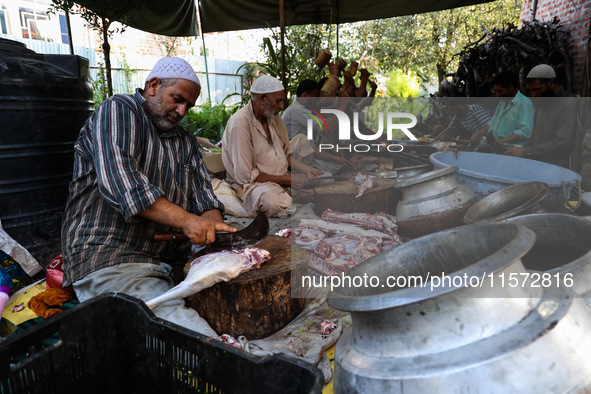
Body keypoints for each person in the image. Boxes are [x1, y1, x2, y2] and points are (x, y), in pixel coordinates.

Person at [61, 57, 236, 337]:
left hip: (166, 255)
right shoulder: (118, 111)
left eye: (188, 106)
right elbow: (124, 186)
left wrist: (213, 224)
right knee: (184, 336)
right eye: (177, 99)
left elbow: (204, 195)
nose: (181, 111)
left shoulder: (185, 140)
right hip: (111, 256)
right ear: (153, 86)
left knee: (233, 294)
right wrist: (189, 222)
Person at [221, 75, 318, 217]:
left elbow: (286, 155)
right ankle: (289, 194)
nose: (282, 106)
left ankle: (289, 193)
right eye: (278, 101)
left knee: (313, 187)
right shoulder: (240, 123)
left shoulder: (274, 117)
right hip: (252, 186)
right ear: (262, 99)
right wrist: (289, 180)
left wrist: (307, 169)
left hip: (279, 181)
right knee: (274, 202)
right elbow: (245, 177)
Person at [505, 64, 577, 169]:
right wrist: (520, 148)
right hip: (537, 160)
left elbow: (562, 143)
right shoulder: (541, 102)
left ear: (551, 83)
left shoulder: (568, 104)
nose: (533, 94)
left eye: (537, 89)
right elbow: (534, 134)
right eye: (531, 90)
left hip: (557, 166)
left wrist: (526, 151)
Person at [284, 79, 356, 175]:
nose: (318, 100)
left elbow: (312, 148)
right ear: (305, 95)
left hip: (304, 158)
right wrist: (342, 106)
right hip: (292, 161)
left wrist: (334, 158)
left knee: (337, 169)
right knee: (328, 178)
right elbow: (324, 127)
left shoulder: (306, 110)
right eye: (316, 97)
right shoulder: (296, 109)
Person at [470, 72, 534, 149]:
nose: (497, 95)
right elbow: (493, 123)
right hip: (497, 147)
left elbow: (524, 132)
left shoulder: (524, 103)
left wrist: (497, 143)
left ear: (510, 87)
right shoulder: (502, 102)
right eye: (495, 91)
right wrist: (479, 132)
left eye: (500, 91)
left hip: (512, 150)